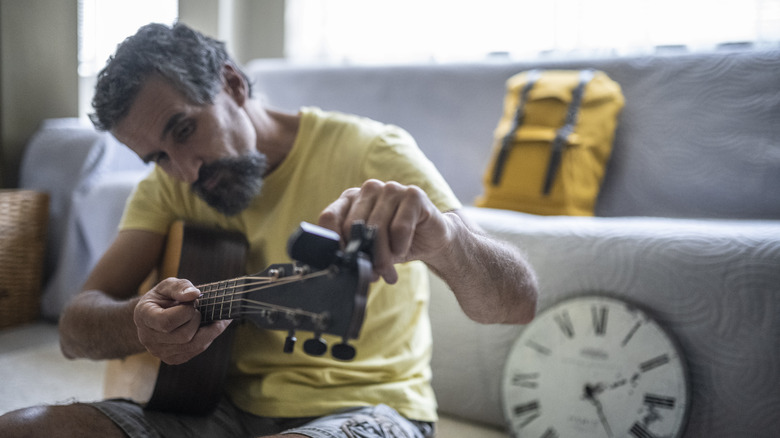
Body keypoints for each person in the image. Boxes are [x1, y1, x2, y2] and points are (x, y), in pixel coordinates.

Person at [0, 23, 537, 438]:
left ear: (232, 83)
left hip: (367, 409)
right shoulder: (169, 187)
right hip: (209, 410)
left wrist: (445, 238)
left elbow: (515, 305)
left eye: (185, 129)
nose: (184, 171)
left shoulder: (375, 152)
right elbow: (74, 329)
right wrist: (139, 325)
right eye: (157, 157)